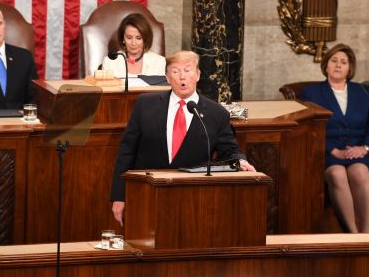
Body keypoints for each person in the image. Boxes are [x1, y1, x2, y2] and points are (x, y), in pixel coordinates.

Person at [110, 50, 256, 225]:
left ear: (198, 75)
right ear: (167, 76)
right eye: (175, 71)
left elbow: (229, 151)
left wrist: (239, 161)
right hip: (147, 194)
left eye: (187, 70)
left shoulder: (216, 114)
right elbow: (126, 153)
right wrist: (119, 196)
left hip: (193, 200)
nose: (182, 77)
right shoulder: (145, 105)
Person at [300, 43, 369, 233]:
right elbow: (309, 129)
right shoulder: (311, 93)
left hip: (358, 152)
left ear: (350, 68)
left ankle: (366, 232)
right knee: (337, 175)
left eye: (343, 62)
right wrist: (332, 149)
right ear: (326, 66)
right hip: (328, 152)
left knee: (360, 173)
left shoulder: (364, 92)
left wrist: (365, 148)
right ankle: (353, 234)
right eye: (334, 60)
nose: (338, 65)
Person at [101, 13, 166, 77]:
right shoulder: (110, 62)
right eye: (129, 38)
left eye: (139, 38)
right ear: (123, 38)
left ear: (145, 39)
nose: (133, 43)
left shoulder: (159, 62)